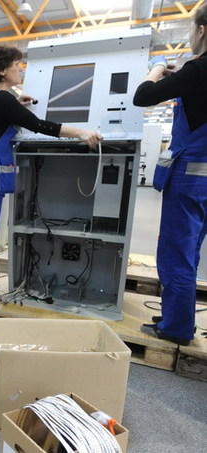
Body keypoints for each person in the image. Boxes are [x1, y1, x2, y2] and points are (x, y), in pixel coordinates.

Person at [0, 45, 103, 308]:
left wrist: (16, 103)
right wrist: (80, 132)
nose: (20, 69)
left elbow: (4, 116)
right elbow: (39, 125)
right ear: (2, 70)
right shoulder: (0, 99)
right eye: (16, 65)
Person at [134, 5, 207, 346]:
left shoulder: (198, 69)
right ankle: (177, 316)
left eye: (191, 29)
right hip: (204, 183)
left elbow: (143, 96)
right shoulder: (195, 74)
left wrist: (158, 67)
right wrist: (180, 78)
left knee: (175, 252)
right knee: (190, 251)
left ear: (202, 30)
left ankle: (176, 328)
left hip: (188, 179)